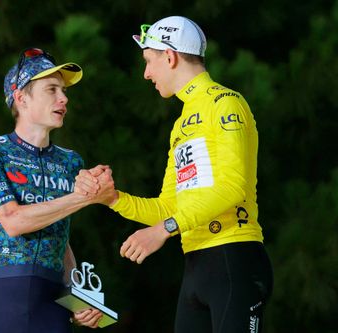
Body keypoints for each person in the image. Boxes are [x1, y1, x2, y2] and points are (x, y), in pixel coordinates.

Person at [75, 16, 273, 333]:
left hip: (234, 256)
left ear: (170, 56)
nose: (146, 74)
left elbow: (233, 188)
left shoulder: (226, 103)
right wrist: (113, 199)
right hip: (196, 264)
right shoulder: (180, 125)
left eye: (149, 62)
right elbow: (170, 207)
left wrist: (163, 230)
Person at [0, 47, 103, 332]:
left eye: (64, 91)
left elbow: (61, 234)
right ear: (21, 98)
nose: (64, 98)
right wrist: (82, 197)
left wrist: (79, 295)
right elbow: (13, 221)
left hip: (53, 299)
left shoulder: (70, 161)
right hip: (3, 293)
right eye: (52, 90)